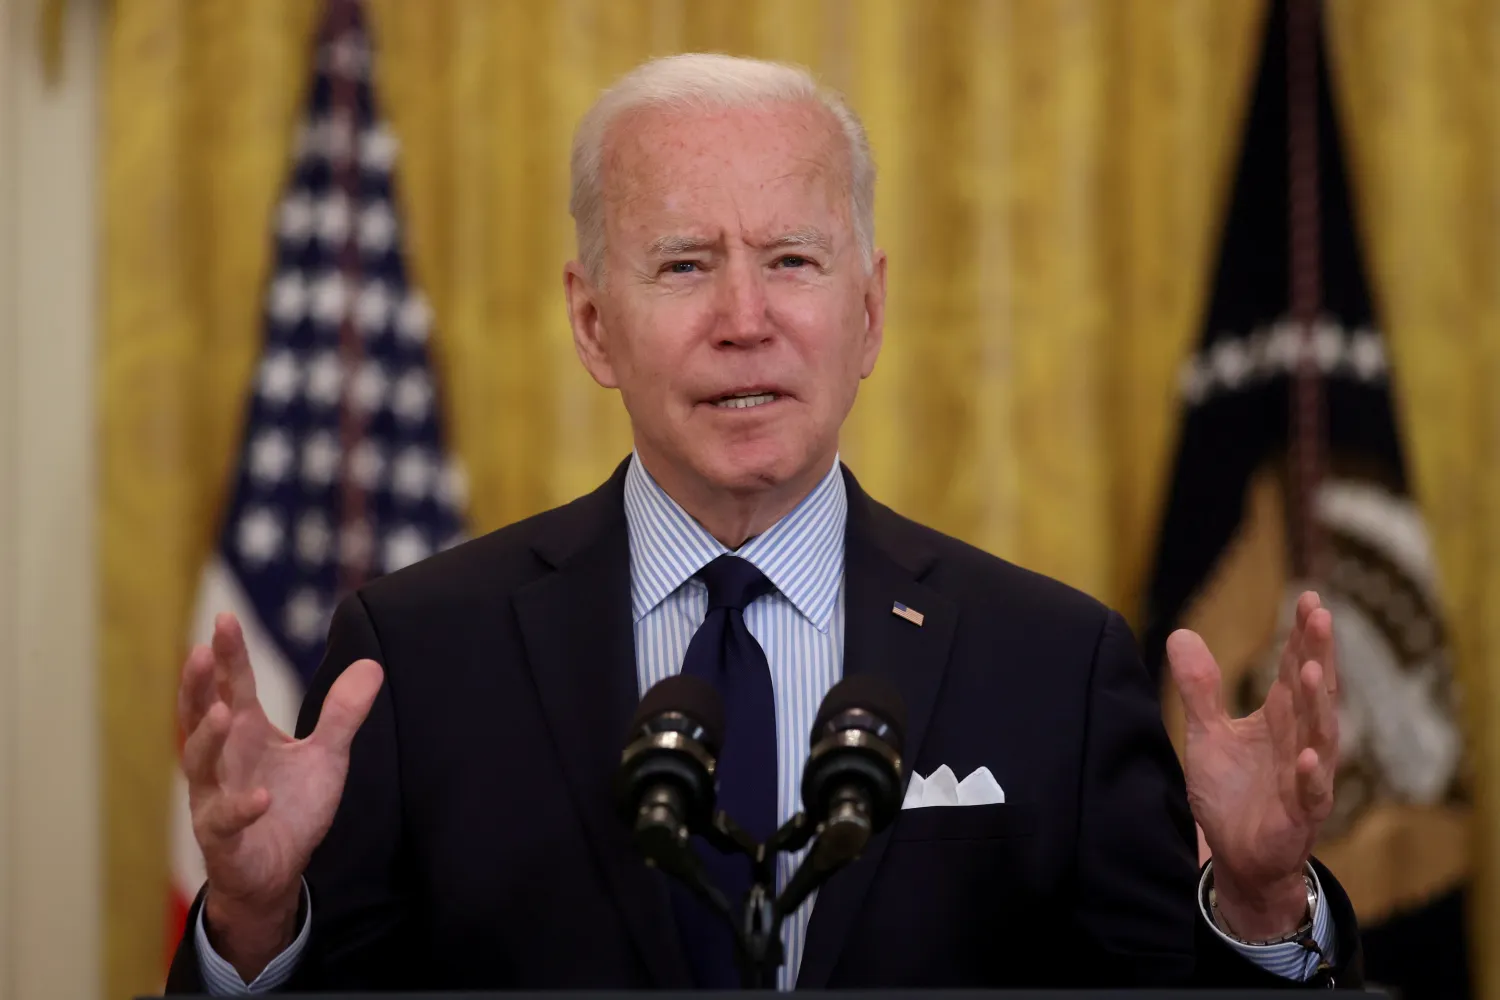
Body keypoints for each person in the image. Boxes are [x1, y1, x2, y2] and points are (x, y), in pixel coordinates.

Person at [167, 53, 1360, 992]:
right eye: (684, 265)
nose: (746, 317)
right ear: (592, 323)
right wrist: (259, 923)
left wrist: (1259, 904)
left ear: (870, 312)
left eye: (792, 259)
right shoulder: (415, 657)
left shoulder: (1052, 661)